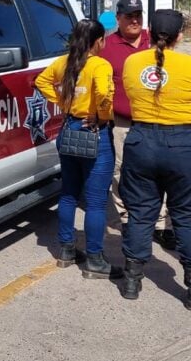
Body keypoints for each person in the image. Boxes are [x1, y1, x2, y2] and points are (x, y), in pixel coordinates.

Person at [117, 9, 191, 311]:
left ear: (149, 31)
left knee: (141, 212)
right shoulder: (190, 63)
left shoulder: (133, 61)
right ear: (179, 35)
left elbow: (131, 95)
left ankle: (132, 280)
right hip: (182, 142)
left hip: (141, 140)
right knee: (186, 216)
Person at [35, 19, 117, 278]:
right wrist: (101, 116)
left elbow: (41, 81)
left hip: (69, 130)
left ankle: (67, 250)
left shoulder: (64, 62)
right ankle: (94, 259)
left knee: (69, 193)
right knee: (95, 201)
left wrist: (63, 103)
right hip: (94, 133)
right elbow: (104, 94)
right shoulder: (99, 64)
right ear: (98, 41)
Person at [100, 0, 175, 249]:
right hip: (122, 122)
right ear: (118, 18)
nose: (134, 20)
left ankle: (162, 223)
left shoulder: (156, 41)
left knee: (159, 173)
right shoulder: (106, 46)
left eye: (138, 15)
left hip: (156, 120)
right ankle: (128, 218)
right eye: (129, 16)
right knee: (122, 172)